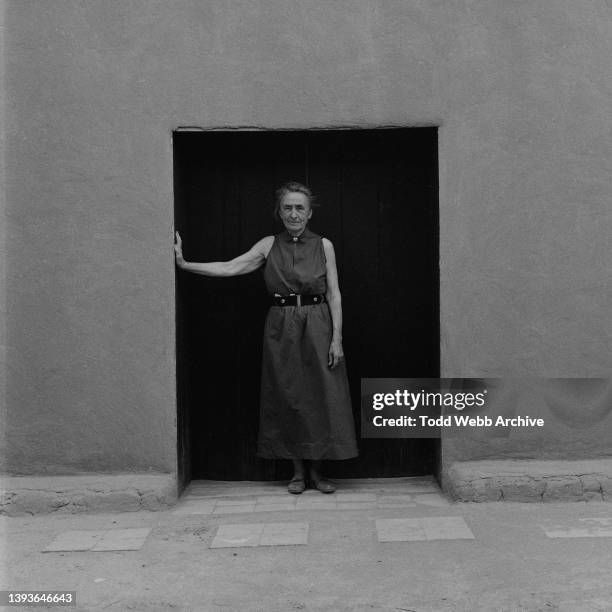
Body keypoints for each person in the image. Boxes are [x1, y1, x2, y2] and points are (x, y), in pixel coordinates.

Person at [174, 181, 358, 494]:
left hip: (318, 323)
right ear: (279, 212)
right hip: (281, 326)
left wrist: (336, 338)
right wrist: (184, 263)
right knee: (287, 394)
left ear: (310, 213)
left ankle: (317, 471)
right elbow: (231, 267)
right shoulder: (268, 245)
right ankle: (297, 472)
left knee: (322, 395)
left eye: (300, 208)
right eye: (288, 207)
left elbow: (335, 293)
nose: (294, 213)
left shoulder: (324, 245)